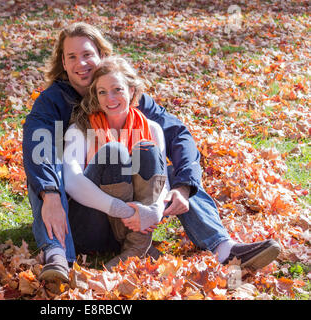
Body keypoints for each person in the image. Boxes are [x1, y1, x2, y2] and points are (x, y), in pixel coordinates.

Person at [22, 22, 281, 282]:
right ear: (63, 64)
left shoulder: (130, 97)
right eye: (72, 57)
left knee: (175, 173)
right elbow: (39, 147)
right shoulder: (52, 102)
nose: (82, 63)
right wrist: (51, 193)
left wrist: (183, 187)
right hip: (84, 210)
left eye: (88, 54)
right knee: (47, 176)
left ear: (102, 55)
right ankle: (57, 253)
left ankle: (224, 247)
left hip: (133, 211)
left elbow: (178, 135)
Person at [63, 56, 170, 270]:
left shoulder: (152, 129)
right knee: (114, 151)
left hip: (129, 230)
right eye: (102, 92)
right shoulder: (80, 130)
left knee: (147, 149)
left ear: (131, 90)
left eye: (117, 90)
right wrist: (124, 211)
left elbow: (163, 183)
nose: (109, 98)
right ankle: (138, 247)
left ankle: (134, 249)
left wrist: (155, 212)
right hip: (90, 229)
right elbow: (71, 182)